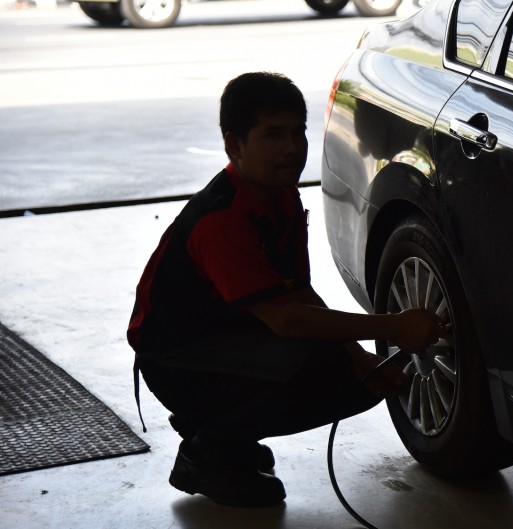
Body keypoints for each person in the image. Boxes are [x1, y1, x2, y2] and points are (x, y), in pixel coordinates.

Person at [127, 71, 446, 508]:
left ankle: (224, 431)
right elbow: (287, 319)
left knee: (355, 373)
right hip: (177, 362)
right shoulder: (223, 220)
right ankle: (210, 450)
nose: (292, 148)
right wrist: (393, 327)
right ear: (233, 145)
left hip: (224, 342)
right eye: (273, 135)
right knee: (321, 367)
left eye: (298, 132)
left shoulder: (280, 199)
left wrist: (362, 356)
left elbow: (299, 295)